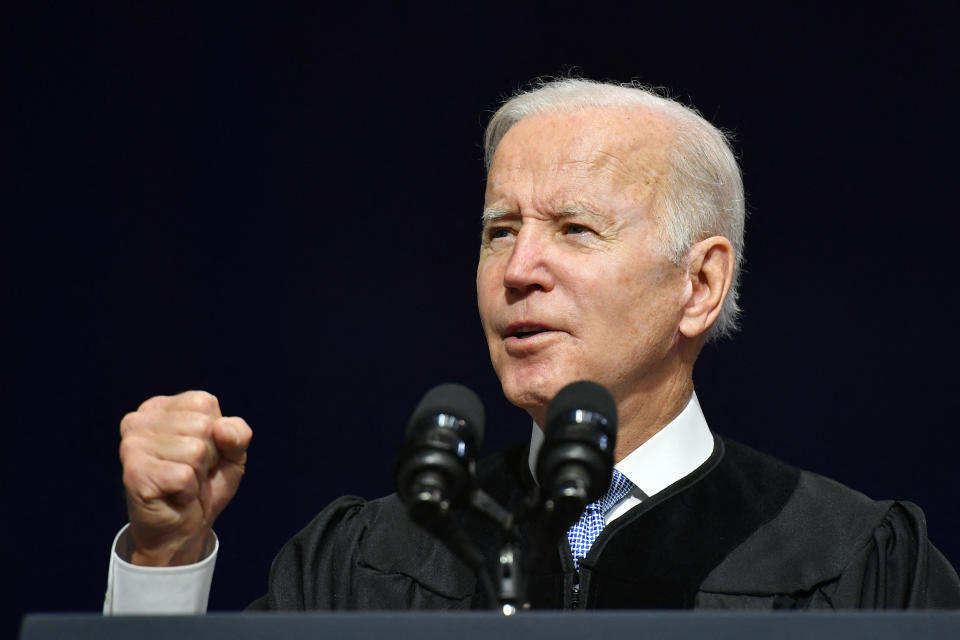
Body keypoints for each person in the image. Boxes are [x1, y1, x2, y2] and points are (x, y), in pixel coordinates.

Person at [104, 78, 960, 613]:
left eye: (575, 229)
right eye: (498, 230)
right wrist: (165, 554)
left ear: (699, 285)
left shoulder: (857, 564)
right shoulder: (375, 562)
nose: (519, 270)